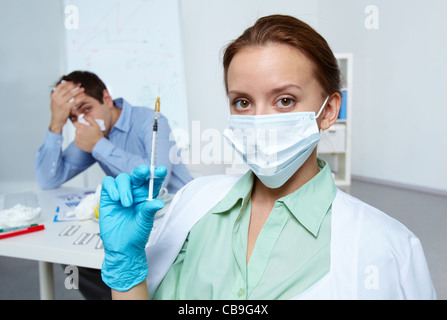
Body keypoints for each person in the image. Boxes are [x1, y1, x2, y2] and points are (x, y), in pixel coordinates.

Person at [98, 15, 436, 299]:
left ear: (329, 110)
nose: (259, 120)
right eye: (242, 102)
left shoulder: (387, 248)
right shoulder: (194, 203)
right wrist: (127, 268)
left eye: (285, 100)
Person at [35, 71, 193, 299]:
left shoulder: (149, 120)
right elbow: (48, 178)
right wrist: (55, 124)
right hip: (133, 224)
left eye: (86, 108)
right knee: (75, 262)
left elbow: (156, 183)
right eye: (72, 117)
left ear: (107, 98)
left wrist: (98, 145)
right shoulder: (93, 133)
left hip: (176, 219)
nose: (82, 121)